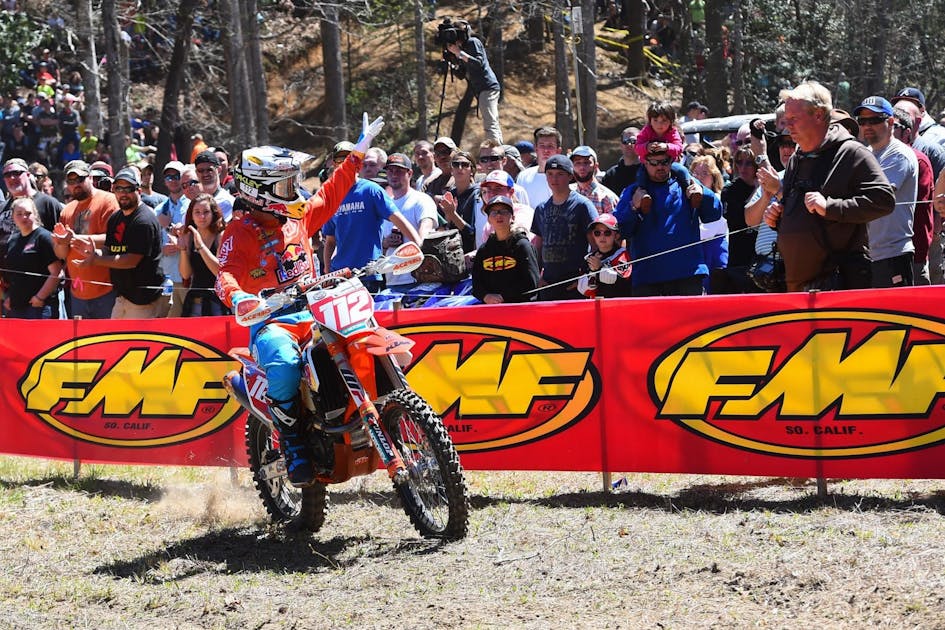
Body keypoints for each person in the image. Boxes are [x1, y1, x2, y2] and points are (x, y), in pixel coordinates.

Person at [215, 114, 383, 487]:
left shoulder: (298, 218)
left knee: (363, 337)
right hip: (273, 321)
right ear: (261, 190)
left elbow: (331, 192)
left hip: (317, 309)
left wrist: (357, 153)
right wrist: (239, 297)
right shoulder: (239, 232)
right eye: (286, 184)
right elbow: (224, 275)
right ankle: (291, 439)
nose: (295, 189)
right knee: (285, 363)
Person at [763, 81, 895, 292]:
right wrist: (777, 218)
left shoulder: (852, 153)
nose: (788, 126)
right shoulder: (797, 159)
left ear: (818, 115)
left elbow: (884, 201)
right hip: (797, 286)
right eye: (786, 119)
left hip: (838, 284)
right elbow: (801, 217)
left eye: (794, 119)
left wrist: (830, 207)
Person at [615, 144, 720, 296]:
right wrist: (633, 206)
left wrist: (703, 192)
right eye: (654, 163)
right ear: (644, 162)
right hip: (648, 278)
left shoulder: (687, 185)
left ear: (672, 161)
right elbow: (620, 231)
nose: (660, 167)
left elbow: (714, 214)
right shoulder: (633, 192)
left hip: (688, 275)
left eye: (664, 162)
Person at [321, 142, 420, 293]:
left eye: (350, 159)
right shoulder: (331, 196)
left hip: (368, 275)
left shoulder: (372, 190)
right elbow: (330, 241)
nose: (345, 164)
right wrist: (328, 273)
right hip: (340, 277)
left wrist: (419, 247)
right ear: (334, 164)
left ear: (358, 163)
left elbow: (400, 221)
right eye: (341, 160)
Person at [72, 167, 165, 318]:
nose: (123, 193)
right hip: (122, 296)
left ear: (138, 191)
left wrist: (95, 260)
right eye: (118, 188)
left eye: (128, 189)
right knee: (115, 334)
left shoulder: (144, 220)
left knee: (134, 335)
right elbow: (109, 249)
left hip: (143, 299)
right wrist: (93, 252)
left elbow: (131, 260)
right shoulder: (115, 218)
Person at [854, 96, 917, 288]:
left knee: (895, 309)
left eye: (874, 120)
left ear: (890, 122)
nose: (867, 126)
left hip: (893, 254)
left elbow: (877, 197)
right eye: (862, 121)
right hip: (869, 255)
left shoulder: (898, 154)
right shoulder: (867, 154)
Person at [52, 160, 119, 318]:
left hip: (107, 289)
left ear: (90, 177)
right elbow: (61, 254)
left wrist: (76, 238)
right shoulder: (67, 210)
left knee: (108, 334)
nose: (76, 185)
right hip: (78, 293)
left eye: (80, 179)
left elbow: (115, 239)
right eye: (71, 181)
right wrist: (62, 242)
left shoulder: (109, 201)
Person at [530, 155, 598, 301]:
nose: (554, 179)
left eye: (560, 174)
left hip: (574, 284)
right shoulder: (541, 209)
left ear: (570, 176)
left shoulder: (582, 205)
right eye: (550, 174)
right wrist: (538, 277)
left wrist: (585, 277)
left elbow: (595, 244)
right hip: (548, 284)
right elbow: (538, 246)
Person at [633, 101, 700, 214]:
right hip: (648, 165)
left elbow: (678, 147)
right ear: (650, 120)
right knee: (640, 175)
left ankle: (691, 192)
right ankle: (643, 195)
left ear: (671, 121)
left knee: (682, 171)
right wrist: (647, 146)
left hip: (669, 164)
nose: (659, 124)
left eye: (664, 120)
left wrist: (667, 146)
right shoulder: (646, 131)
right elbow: (637, 147)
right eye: (655, 120)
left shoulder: (672, 132)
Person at [381, 152, 437, 288]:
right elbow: (379, 249)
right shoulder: (385, 206)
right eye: (390, 171)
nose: (394, 175)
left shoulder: (421, 200)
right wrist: (385, 243)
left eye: (399, 171)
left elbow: (425, 238)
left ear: (410, 173)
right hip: (392, 281)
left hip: (418, 279)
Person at [892, 107, 934, 286]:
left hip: (912, 255)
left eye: (893, 126)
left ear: (907, 132)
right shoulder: (873, 157)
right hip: (882, 254)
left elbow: (920, 209)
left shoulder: (918, 160)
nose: (886, 129)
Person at [471, 196, 539, 303]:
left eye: (504, 212)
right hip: (492, 309)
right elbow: (476, 284)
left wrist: (504, 297)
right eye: (494, 212)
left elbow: (531, 282)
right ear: (488, 219)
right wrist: (485, 296)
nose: (499, 215)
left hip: (520, 307)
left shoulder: (522, 246)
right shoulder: (484, 251)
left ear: (513, 217)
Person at [2, 197, 62, 318]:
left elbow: (57, 273)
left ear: (35, 214)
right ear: (13, 217)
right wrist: (8, 297)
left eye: (28, 213)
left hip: (39, 308)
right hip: (16, 307)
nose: (24, 217)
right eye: (19, 214)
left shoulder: (44, 238)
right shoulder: (12, 240)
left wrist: (40, 297)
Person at [445, 20, 502, 143]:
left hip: (487, 86)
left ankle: (495, 149)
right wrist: (452, 61)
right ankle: (498, 146)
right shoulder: (463, 49)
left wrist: (459, 53)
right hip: (482, 89)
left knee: (490, 122)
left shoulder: (472, 42)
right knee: (491, 121)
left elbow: (478, 63)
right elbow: (461, 74)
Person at [713, 146, 760, 293]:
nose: (743, 167)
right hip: (739, 257)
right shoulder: (730, 190)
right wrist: (757, 190)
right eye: (739, 162)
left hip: (761, 256)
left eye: (749, 163)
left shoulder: (768, 188)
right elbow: (739, 219)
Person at [178, 193, 227, 316]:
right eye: (197, 212)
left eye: (206, 212)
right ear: (191, 216)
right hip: (195, 300)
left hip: (217, 301)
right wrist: (183, 250)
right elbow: (185, 274)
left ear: (213, 213)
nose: (202, 217)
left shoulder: (221, 236)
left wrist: (200, 246)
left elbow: (219, 273)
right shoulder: (189, 236)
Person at [153, 160, 190, 316]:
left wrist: (169, 228)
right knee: (167, 324)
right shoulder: (159, 210)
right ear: (164, 181)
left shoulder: (192, 206)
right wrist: (161, 249)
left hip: (188, 278)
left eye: (176, 176)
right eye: (169, 177)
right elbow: (153, 244)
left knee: (191, 322)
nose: (173, 180)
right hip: (167, 278)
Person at [576, 213, 632, 298]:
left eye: (607, 233)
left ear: (616, 236)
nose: (602, 236)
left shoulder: (622, 255)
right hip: (596, 305)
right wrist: (592, 273)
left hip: (617, 304)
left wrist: (599, 269)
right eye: (597, 233)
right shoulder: (589, 259)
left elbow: (622, 282)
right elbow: (583, 290)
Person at [436, 150, 479, 253]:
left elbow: (472, 234)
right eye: (455, 164)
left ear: (472, 171)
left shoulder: (477, 195)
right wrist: (447, 220)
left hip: (469, 255)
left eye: (465, 165)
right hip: (450, 253)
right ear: (451, 170)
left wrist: (452, 214)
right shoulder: (449, 195)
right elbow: (439, 229)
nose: (460, 168)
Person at [516, 126, 563, 210]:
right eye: (542, 146)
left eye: (550, 146)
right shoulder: (523, 176)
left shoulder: (565, 177)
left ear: (558, 151)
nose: (546, 150)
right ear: (536, 148)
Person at [570, 145, 619, 215]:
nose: (582, 167)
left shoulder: (607, 198)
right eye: (577, 163)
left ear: (596, 166)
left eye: (586, 162)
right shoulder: (566, 193)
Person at [194, 150, 234, 221]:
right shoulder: (194, 202)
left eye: (209, 170)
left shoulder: (227, 202)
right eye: (201, 170)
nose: (205, 174)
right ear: (196, 173)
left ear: (219, 170)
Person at [602, 126, 642, 197]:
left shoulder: (648, 171)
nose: (629, 144)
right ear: (621, 145)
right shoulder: (611, 175)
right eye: (625, 141)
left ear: (640, 144)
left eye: (633, 141)